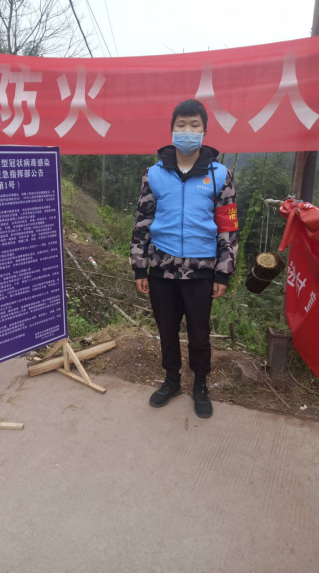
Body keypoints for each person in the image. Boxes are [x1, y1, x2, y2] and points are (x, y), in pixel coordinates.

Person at [130, 99, 239, 418]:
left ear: (204, 131)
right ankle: (172, 380)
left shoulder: (221, 175)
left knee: (199, 334)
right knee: (167, 330)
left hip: (201, 271)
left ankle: (200, 384)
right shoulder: (154, 174)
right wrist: (140, 267)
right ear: (172, 129)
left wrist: (223, 273)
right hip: (160, 268)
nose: (187, 131)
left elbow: (228, 227)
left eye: (194, 125)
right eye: (182, 125)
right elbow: (142, 222)